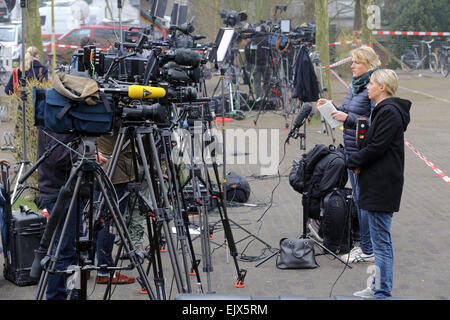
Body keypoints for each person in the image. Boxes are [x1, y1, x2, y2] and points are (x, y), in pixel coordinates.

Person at [347, 69, 411, 299]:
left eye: (371, 83)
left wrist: (353, 160)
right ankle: (377, 285)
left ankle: (382, 292)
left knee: (380, 243)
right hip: (379, 181)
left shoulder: (389, 113)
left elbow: (376, 148)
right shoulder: (383, 111)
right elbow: (374, 146)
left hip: (382, 185)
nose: (367, 87)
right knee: (380, 239)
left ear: (382, 87)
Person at [315, 46, 381, 263]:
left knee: (363, 202)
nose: (352, 66)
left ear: (369, 65)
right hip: (351, 151)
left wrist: (348, 118)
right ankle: (368, 244)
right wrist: (329, 107)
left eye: (357, 62)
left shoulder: (373, 87)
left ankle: (368, 249)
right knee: (360, 199)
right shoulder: (356, 85)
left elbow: (377, 121)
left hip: (364, 152)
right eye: (351, 61)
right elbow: (345, 110)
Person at [94, 119, 136, 285]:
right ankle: (105, 269)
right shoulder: (112, 110)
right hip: (114, 170)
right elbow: (127, 123)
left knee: (98, 219)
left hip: (105, 167)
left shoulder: (97, 104)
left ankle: (92, 265)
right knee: (109, 221)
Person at [244, 26, 270, 101]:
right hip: (265, 64)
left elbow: (247, 51)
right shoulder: (266, 40)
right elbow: (271, 52)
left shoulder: (252, 41)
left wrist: (250, 61)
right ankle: (266, 96)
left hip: (255, 65)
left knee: (256, 82)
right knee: (267, 81)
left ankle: (259, 97)